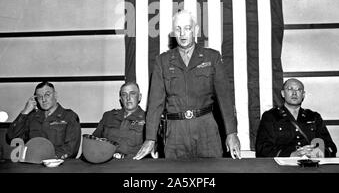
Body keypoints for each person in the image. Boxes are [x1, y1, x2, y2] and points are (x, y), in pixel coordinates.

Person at [134, 10, 241, 160]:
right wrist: (150, 138)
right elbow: (155, 104)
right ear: (173, 32)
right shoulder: (162, 61)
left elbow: (226, 100)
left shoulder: (212, 57)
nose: (182, 34)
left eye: (187, 28)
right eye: (178, 29)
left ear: (195, 30)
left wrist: (231, 133)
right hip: (175, 132)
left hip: (206, 130)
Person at [255, 78, 337, 157]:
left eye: (299, 90)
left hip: (310, 166)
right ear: (283, 93)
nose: (294, 93)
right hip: (282, 168)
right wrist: (290, 155)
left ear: (303, 95)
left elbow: (330, 147)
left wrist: (319, 153)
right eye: (290, 89)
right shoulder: (271, 116)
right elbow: (262, 148)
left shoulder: (313, 117)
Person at [6, 81, 81, 159]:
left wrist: (46, 158)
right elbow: (11, 137)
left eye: (47, 95)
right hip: (34, 164)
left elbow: (71, 149)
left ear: (55, 95)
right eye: (39, 96)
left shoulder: (69, 116)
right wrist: (25, 111)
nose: (43, 99)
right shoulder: (32, 117)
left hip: (59, 165)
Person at [92, 82, 145, 158]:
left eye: (132, 93)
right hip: (107, 163)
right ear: (121, 99)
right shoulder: (108, 116)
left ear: (139, 97)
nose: (128, 98)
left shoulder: (148, 119)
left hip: (134, 165)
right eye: (124, 94)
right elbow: (93, 141)